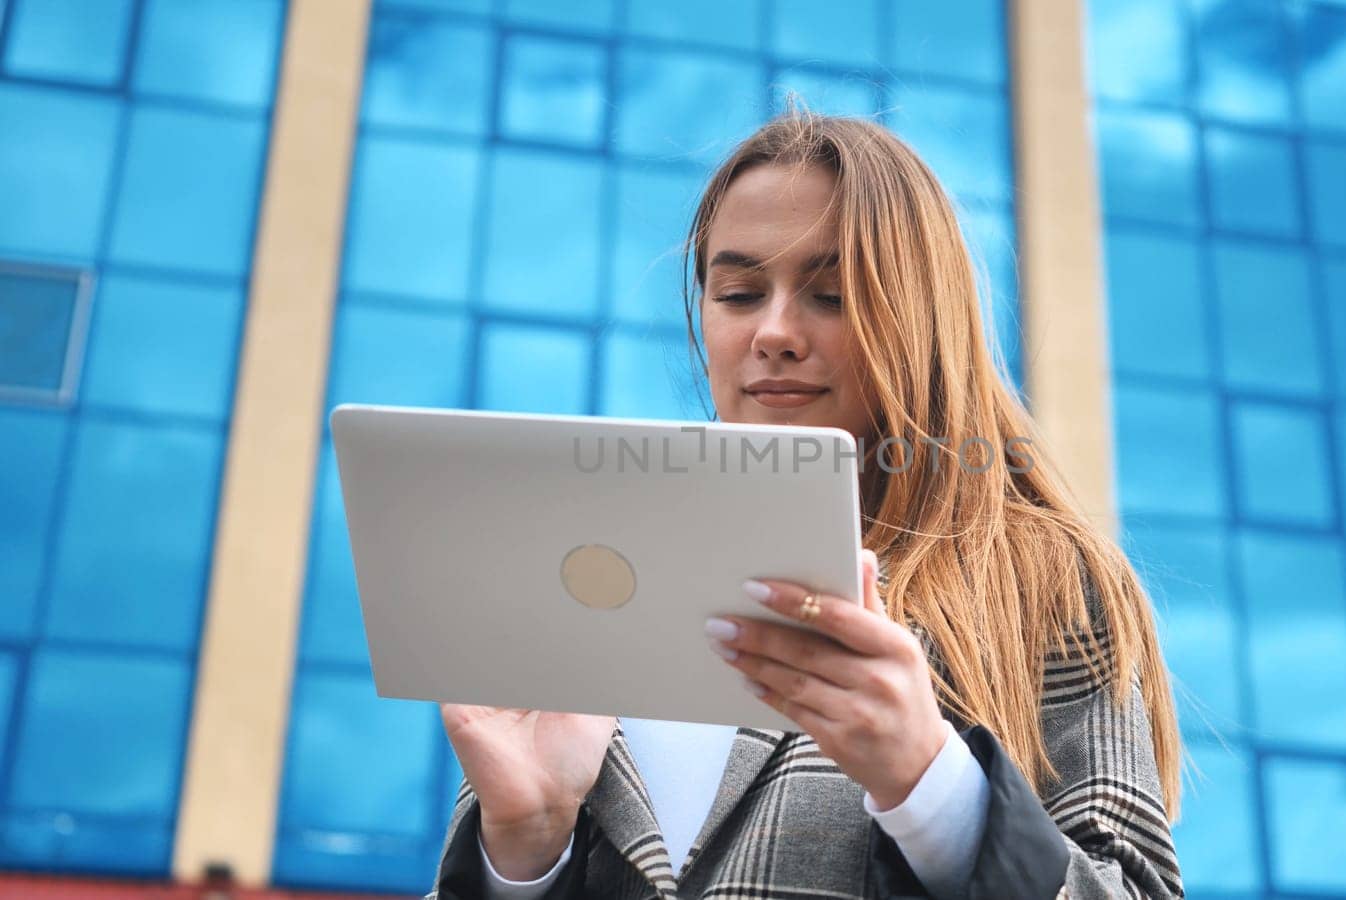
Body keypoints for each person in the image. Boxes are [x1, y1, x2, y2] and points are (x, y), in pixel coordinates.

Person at [428, 104, 1186, 900]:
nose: (776, 331)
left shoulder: (1038, 581)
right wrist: (522, 849)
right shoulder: (588, 571)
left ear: (920, 321)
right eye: (740, 292)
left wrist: (931, 788)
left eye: (830, 294)